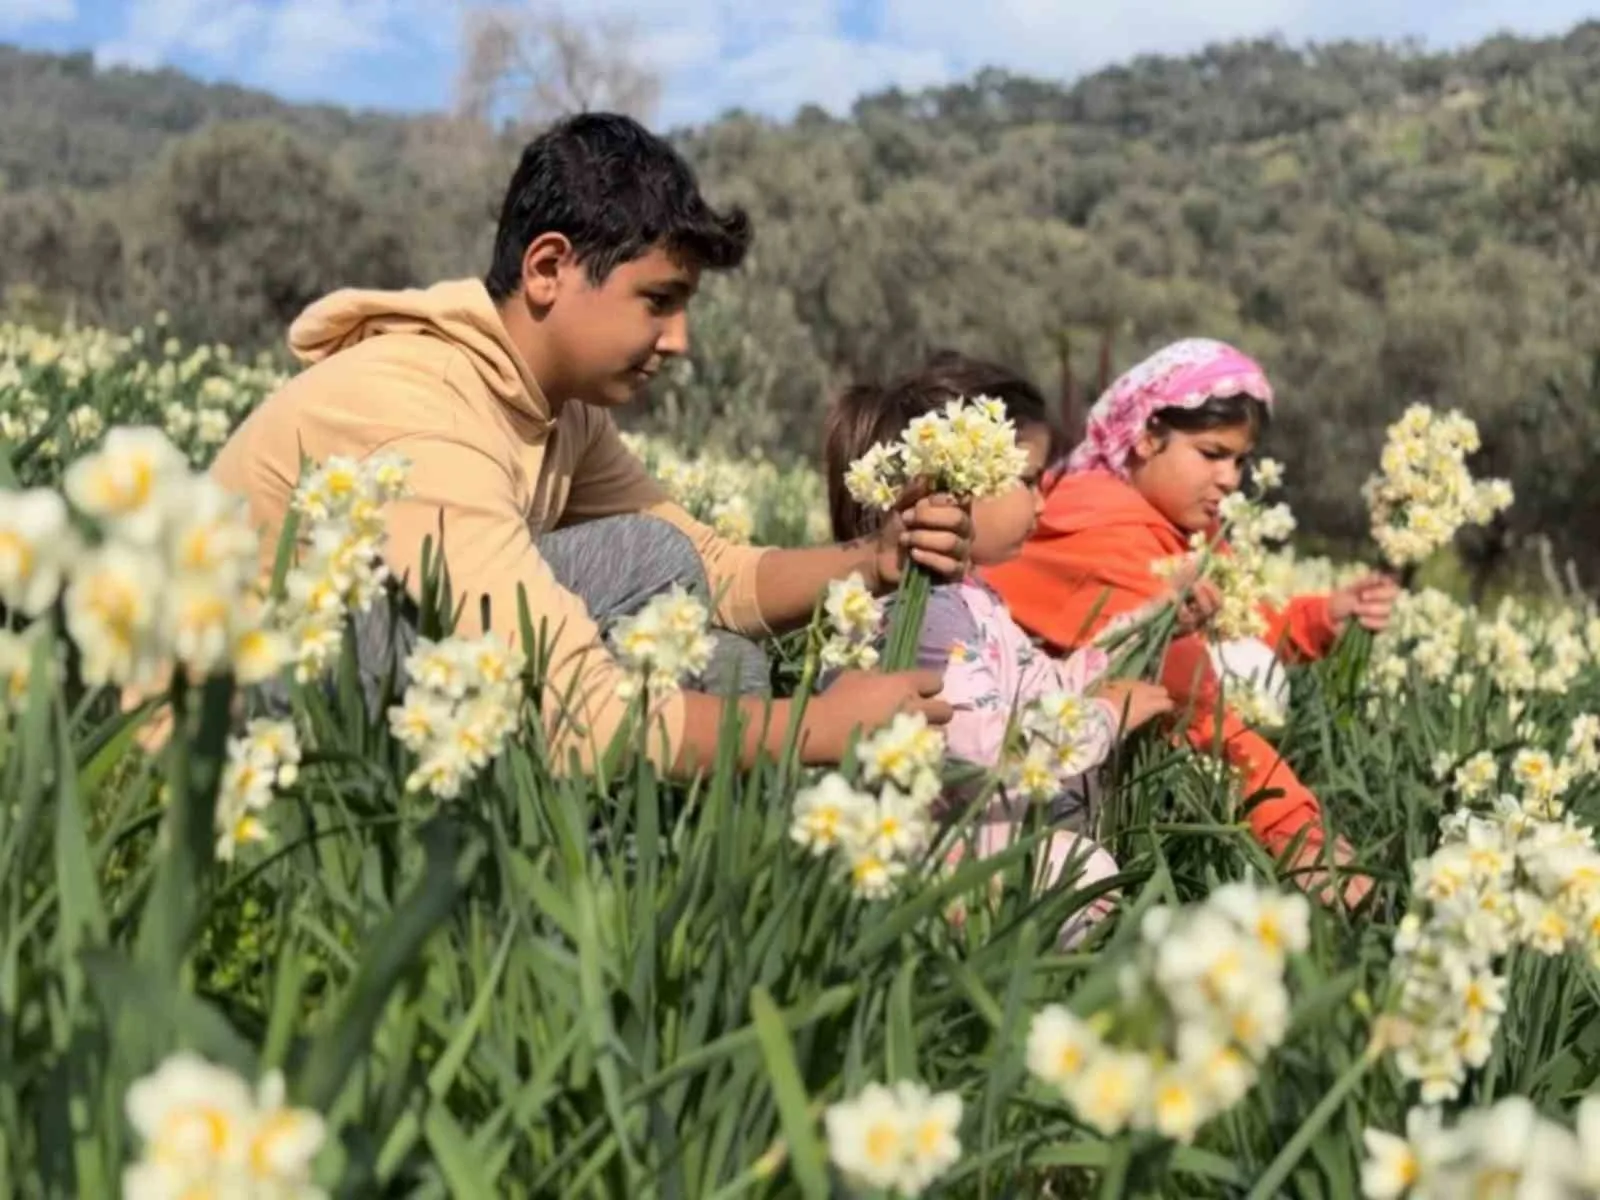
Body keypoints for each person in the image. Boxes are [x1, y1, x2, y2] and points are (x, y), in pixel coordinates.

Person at [209, 113, 973, 775]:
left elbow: (717, 573)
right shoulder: (421, 405)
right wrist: (818, 728)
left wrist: (879, 558)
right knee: (652, 567)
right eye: (658, 301)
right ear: (548, 269)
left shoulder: (560, 411)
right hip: (229, 724)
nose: (678, 341)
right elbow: (578, 710)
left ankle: (620, 910)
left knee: (725, 666)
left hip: (366, 696)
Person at [983, 338, 1398, 908]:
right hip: (1018, 798)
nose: (1231, 479)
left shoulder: (1171, 532)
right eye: (1211, 454)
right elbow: (1194, 701)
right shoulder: (1103, 532)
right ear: (1147, 437)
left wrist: (1323, 616)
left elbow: (1239, 621)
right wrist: (1297, 835)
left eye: (1241, 460)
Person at [821, 351, 1176, 945]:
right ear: (953, 479)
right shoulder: (926, 611)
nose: (1043, 504)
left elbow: (1048, 685)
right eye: (1029, 478)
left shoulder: (971, 595)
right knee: (1083, 870)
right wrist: (1108, 716)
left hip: (965, 837)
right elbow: (982, 751)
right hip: (930, 855)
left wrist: (1161, 618)